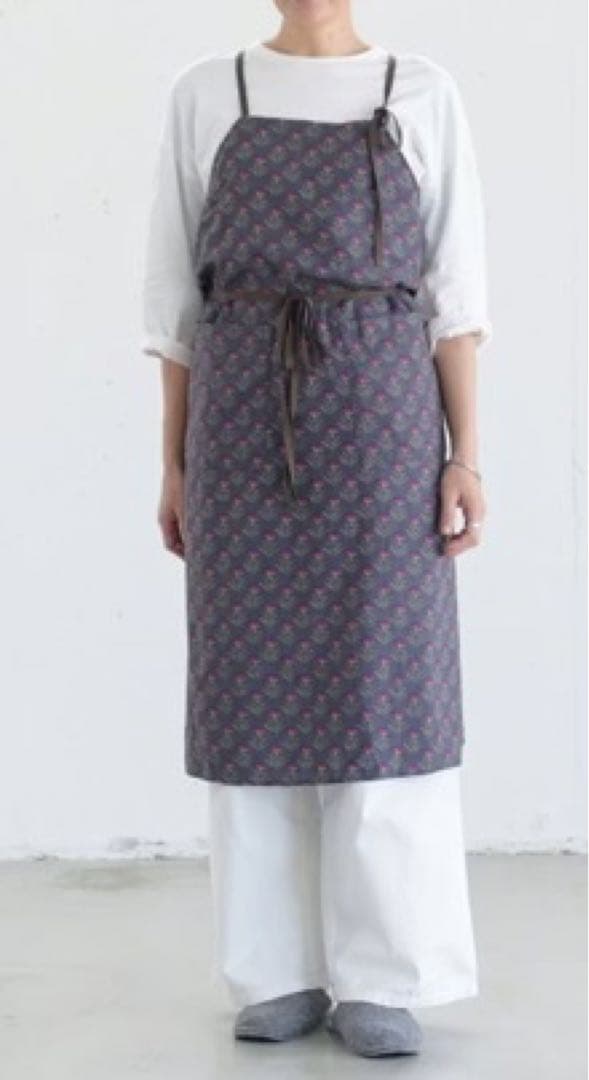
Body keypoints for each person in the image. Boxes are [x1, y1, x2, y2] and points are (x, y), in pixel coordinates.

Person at [141, 0, 491, 1059]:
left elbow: (455, 294)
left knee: (384, 683)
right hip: (241, 417)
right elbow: (174, 298)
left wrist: (465, 454)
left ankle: (385, 973)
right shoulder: (208, 93)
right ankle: (274, 969)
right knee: (250, 683)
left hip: (384, 423)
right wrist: (174, 459)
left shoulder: (420, 91)